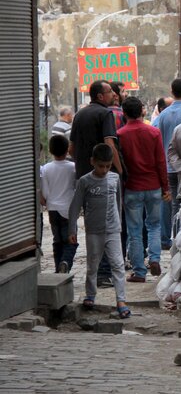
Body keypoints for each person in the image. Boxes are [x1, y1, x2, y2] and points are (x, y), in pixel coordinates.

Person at [69, 80, 124, 288]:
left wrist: (84, 165)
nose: (114, 95)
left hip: (84, 176)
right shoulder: (105, 114)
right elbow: (109, 144)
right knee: (109, 223)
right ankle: (103, 272)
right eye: (110, 92)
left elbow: (72, 149)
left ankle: (94, 275)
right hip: (103, 178)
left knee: (92, 225)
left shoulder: (79, 114)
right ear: (100, 96)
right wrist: (117, 170)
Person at [68, 143, 131, 319]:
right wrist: (71, 229)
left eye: (107, 166)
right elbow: (75, 207)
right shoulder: (84, 182)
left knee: (118, 265)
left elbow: (118, 202)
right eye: (100, 166)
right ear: (92, 162)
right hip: (93, 231)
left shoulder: (114, 179)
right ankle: (90, 294)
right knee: (93, 264)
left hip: (113, 230)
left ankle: (121, 300)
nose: (104, 170)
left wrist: (118, 225)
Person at [117, 97, 171, 282]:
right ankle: (155, 259)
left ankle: (139, 271)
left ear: (124, 113)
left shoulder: (120, 135)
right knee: (154, 226)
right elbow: (160, 162)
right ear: (142, 111)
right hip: (153, 186)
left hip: (132, 188)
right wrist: (166, 187)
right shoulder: (153, 132)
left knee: (134, 230)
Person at [156, 78, 181, 249]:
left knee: (167, 201)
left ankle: (164, 238)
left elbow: (159, 139)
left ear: (172, 92)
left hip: (167, 164)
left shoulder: (162, 115)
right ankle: (179, 237)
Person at [40, 135, 78, 273]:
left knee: (57, 241)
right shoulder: (73, 167)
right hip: (68, 210)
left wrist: (47, 201)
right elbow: (76, 187)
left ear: (50, 151)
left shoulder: (46, 168)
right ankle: (65, 262)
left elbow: (44, 192)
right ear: (67, 150)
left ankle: (58, 269)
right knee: (71, 241)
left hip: (52, 209)